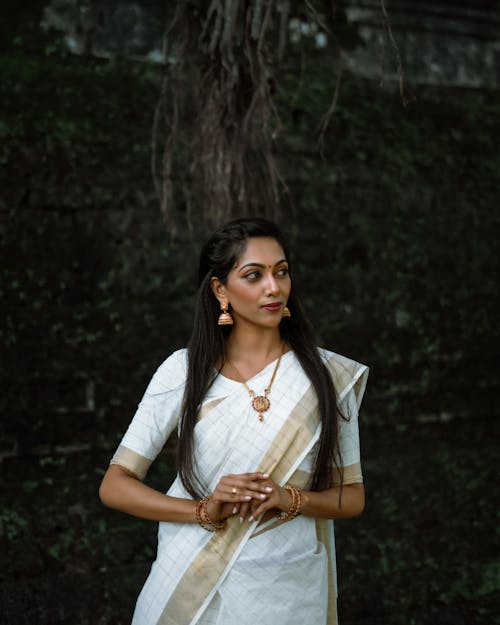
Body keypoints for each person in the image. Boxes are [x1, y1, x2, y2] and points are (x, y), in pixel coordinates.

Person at [99, 217, 368, 625]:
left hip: (287, 592)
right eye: (254, 275)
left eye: (281, 272)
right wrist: (205, 510)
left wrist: (288, 498)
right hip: (189, 585)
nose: (273, 287)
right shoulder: (183, 372)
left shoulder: (328, 377)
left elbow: (352, 497)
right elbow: (115, 485)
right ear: (220, 289)